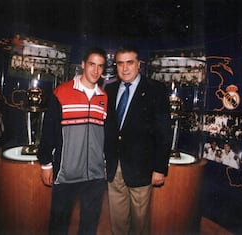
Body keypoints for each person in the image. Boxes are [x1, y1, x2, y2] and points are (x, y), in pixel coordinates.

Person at [37, 47, 108, 235]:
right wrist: (45, 164)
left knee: (89, 226)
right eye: (92, 64)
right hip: (66, 173)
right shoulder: (61, 93)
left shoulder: (104, 97)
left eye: (100, 66)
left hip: (95, 176)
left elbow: (106, 136)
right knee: (59, 225)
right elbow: (48, 131)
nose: (95, 70)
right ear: (83, 65)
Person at [104, 45, 172, 235]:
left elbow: (164, 132)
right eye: (120, 64)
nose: (125, 68)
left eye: (130, 63)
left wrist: (160, 168)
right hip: (114, 167)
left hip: (142, 168)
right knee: (117, 219)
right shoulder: (109, 89)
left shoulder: (155, 90)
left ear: (139, 64)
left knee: (140, 222)